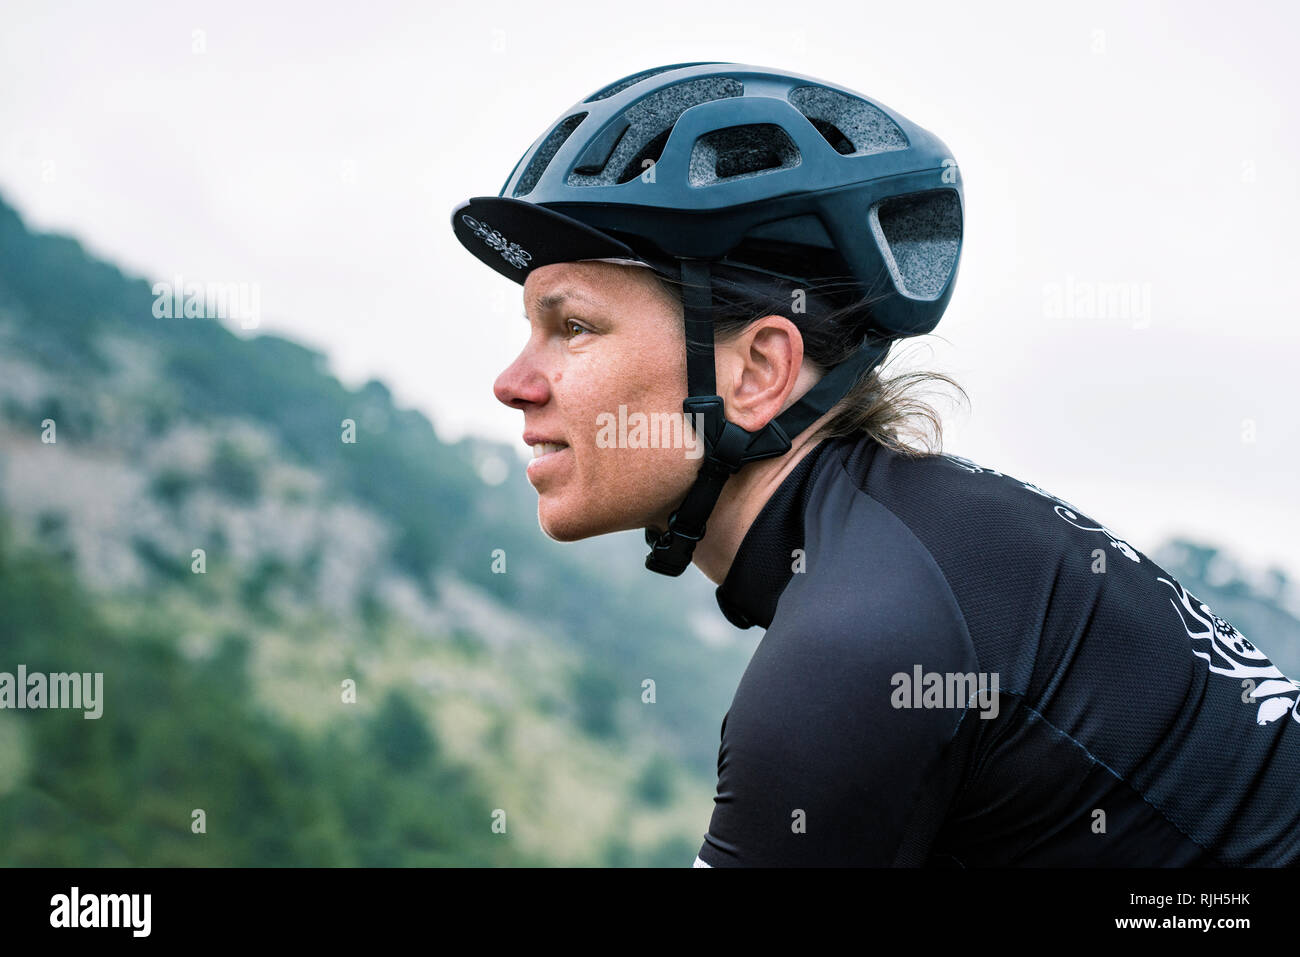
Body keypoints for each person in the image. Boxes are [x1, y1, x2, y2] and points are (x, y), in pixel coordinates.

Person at [451, 62, 1300, 866]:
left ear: (756, 373)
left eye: (572, 328)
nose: (512, 382)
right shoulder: (924, 544)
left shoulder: (857, 647)